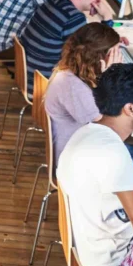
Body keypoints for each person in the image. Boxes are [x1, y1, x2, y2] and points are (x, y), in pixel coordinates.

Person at [55, 63, 133, 266]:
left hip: (88, 247)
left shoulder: (86, 131)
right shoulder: (113, 153)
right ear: (130, 109)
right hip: (110, 262)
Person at [19, 0, 113, 86]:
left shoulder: (52, 3)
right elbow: (93, 57)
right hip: (43, 86)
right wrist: (107, 19)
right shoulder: (74, 18)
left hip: (30, 76)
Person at [45, 23, 122, 162]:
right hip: (76, 162)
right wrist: (110, 79)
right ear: (100, 58)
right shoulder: (74, 87)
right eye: (115, 53)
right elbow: (110, 127)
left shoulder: (71, 70)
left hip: (83, 147)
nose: (119, 57)